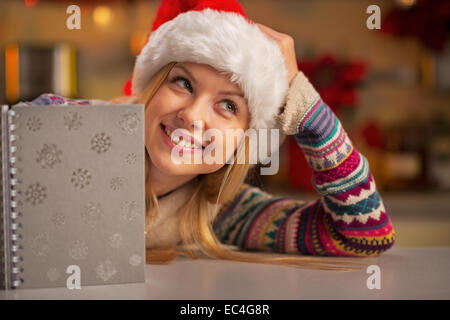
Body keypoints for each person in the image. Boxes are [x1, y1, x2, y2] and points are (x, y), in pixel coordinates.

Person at [22, 0, 395, 271]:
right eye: (182, 83)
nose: (192, 115)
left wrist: (305, 107)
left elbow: (364, 235)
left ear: (242, 142)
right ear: (149, 89)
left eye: (229, 106)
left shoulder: (223, 212)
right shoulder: (68, 128)